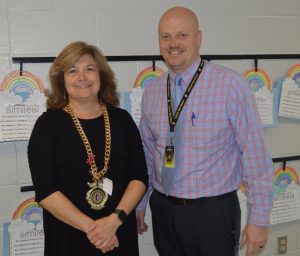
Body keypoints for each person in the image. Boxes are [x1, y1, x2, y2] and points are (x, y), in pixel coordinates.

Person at [136, 6, 274, 256]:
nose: (173, 43)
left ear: (198, 37)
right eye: (165, 36)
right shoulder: (152, 92)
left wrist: (259, 219)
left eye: (182, 35)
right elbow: (147, 153)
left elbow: (256, 156)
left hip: (211, 215)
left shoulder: (230, 85)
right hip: (164, 211)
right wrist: (141, 203)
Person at [28, 41, 148, 256]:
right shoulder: (47, 125)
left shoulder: (122, 120)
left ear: (101, 75)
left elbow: (139, 177)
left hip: (119, 234)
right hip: (68, 238)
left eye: (89, 69)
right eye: (72, 71)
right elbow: (46, 191)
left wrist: (113, 222)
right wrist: (96, 231)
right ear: (61, 80)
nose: (82, 77)